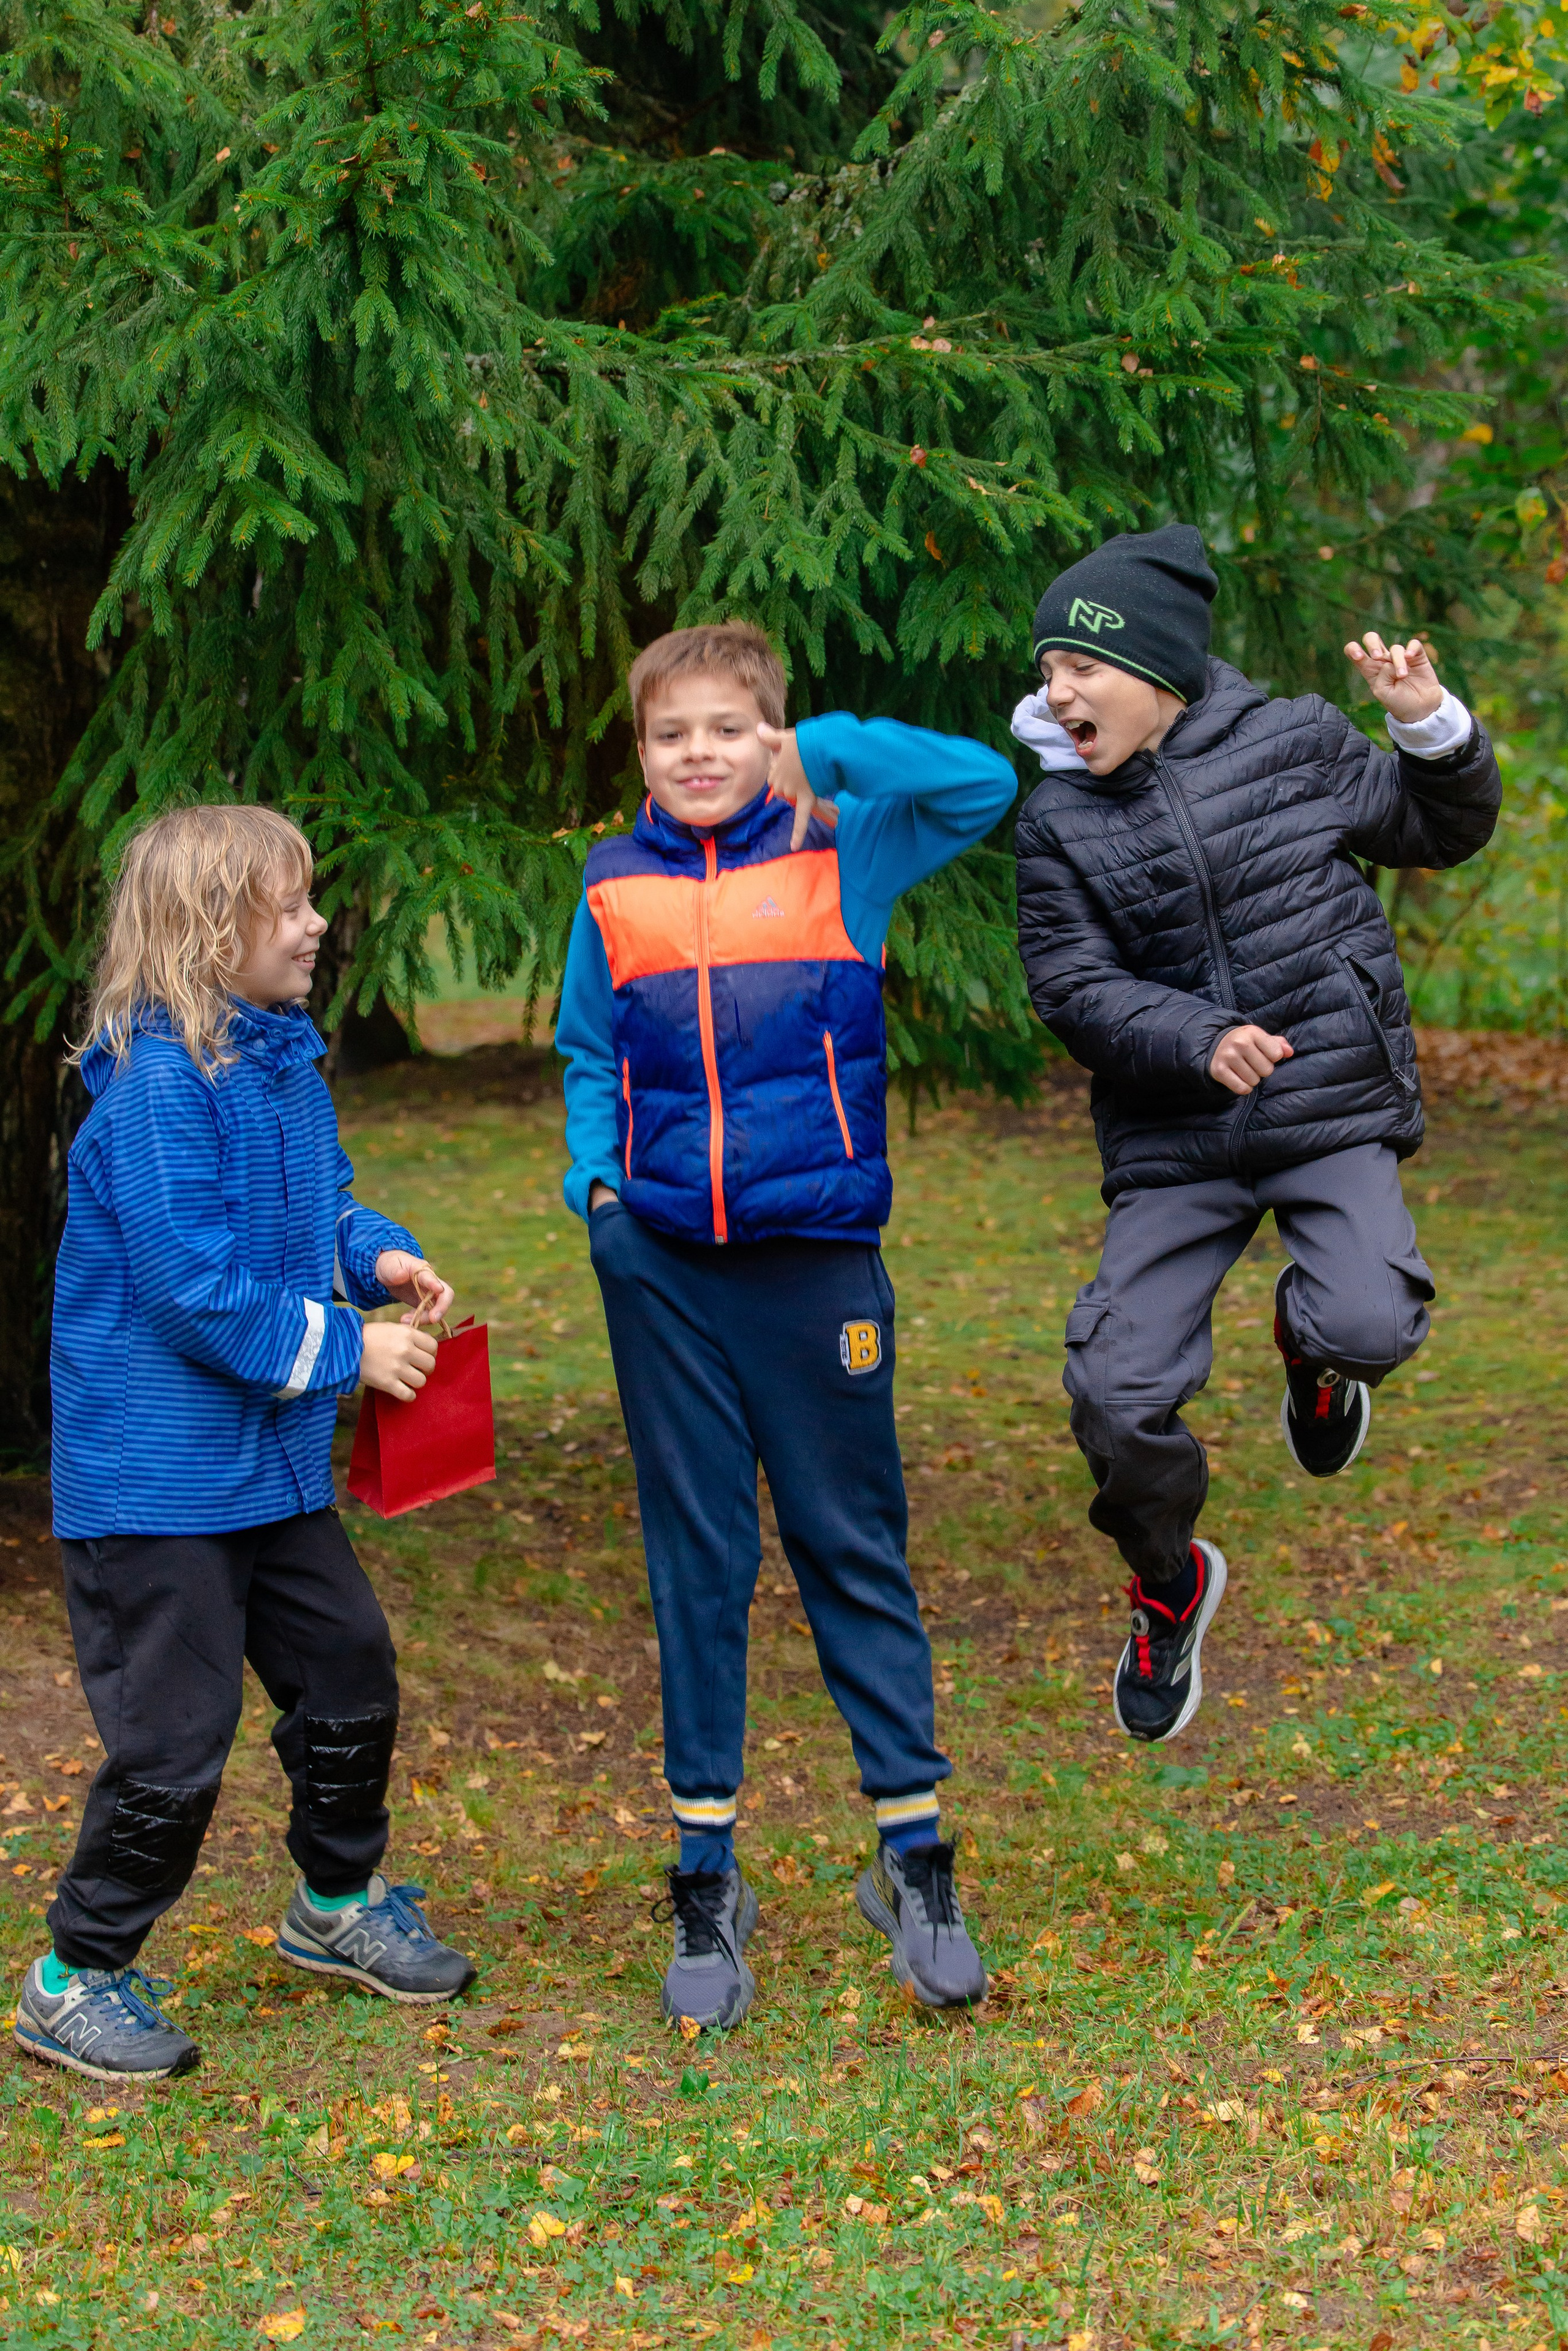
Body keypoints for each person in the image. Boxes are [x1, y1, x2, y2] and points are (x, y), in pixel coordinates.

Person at [556, 622, 1016, 2028]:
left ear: (770, 731)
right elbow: (586, 1047)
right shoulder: (612, 881)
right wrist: (598, 1194)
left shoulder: (843, 847)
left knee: (845, 1546)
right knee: (698, 1561)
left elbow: (985, 782)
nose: (698, 753)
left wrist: (821, 751)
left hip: (817, 1270)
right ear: (639, 751)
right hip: (667, 1274)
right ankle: (704, 1871)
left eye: (727, 728)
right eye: (669, 732)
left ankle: (913, 1855)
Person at [1012, 525, 1500, 1744]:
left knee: (1369, 1322)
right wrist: (1190, 1035)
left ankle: (1309, 1344)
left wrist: (1426, 723)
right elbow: (1069, 982)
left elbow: (1434, 828)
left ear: (1161, 670)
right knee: (1113, 1393)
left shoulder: (1291, 742)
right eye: (1046, 670)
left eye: (1082, 666)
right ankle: (1167, 1579)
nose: (1056, 692)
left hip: (1325, 1102)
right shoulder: (1057, 819)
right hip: (1177, 1138)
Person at [17, 806, 475, 2085]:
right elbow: (194, 1290)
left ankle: (335, 1901)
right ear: (210, 930)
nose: (317, 922)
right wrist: (352, 1348)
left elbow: (313, 1200)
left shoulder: (277, 1061)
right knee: (173, 1737)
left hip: (264, 1472)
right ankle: (78, 1972)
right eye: (289, 905)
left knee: (349, 1669)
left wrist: (371, 1249)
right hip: (157, 1487)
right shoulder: (158, 1091)